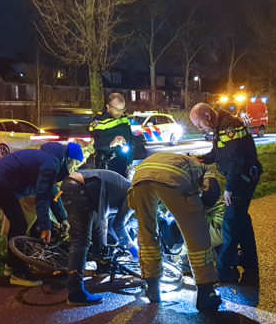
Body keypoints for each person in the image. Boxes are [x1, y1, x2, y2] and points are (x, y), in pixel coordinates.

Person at [128, 152, 222, 312]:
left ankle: (152, 288)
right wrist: (201, 210)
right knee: (197, 235)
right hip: (172, 179)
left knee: (146, 232)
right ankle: (206, 294)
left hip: (140, 178)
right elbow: (212, 191)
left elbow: (133, 203)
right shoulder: (206, 170)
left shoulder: (181, 161)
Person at [0, 142, 85, 286]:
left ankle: (11, 266)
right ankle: (18, 273)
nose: (74, 169)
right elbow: (42, 197)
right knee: (20, 223)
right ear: (68, 159)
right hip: (1, 181)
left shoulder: (52, 160)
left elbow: (52, 193)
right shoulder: (52, 163)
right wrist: (46, 227)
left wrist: (63, 218)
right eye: (75, 164)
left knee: (17, 223)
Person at [189, 103, 263, 286]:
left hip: (242, 179)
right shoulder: (221, 126)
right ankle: (251, 267)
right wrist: (196, 158)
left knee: (230, 223)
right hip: (240, 178)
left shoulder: (229, 125)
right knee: (241, 221)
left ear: (207, 116)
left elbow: (237, 160)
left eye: (199, 124)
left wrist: (230, 188)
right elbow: (217, 154)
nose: (199, 129)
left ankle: (223, 272)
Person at [59, 169, 138, 305]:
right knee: (81, 240)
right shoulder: (135, 194)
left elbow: (112, 224)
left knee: (98, 228)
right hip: (81, 189)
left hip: (74, 186)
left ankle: (102, 267)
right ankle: (75, 292)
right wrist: (132, 248)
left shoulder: (123, 189)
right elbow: (119, 225)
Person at [89, 92, 134, 178]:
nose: (120, 113)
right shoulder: (99, 120)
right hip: (106, 165)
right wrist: (111, 143)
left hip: (123, 164)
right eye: (117, 110)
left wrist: (130, 159)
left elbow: (129, 137)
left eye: (122, 110)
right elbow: (96, 143)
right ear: (108, 106)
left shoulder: (123, 118)